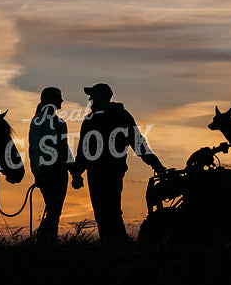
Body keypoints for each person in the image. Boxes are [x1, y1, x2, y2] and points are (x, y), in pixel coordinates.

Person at [68, 82, 164, 243]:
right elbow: (83, 152)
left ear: (103, 97)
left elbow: (138, 143)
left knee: (111, 212)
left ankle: (118, 247)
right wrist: (77, 174)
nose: (90, 98)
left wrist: (156, 164)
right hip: (95, 174)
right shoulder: (90, 121)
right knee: (101, 214)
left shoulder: (122, 117)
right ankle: (111, 248)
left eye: (93, 95)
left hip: (112, 173)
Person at [28, 87, 73, 239]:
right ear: (49, 100)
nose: (61, 101)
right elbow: (33, 148)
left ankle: (45, 238)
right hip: (47, 171)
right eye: (58, 97)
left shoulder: (61, 123)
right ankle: (45, 238)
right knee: (53, 208)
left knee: (55, 209)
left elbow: (65, 148)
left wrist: (74, 171)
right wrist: (38, 174)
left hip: (61, 171)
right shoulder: (38, 121)